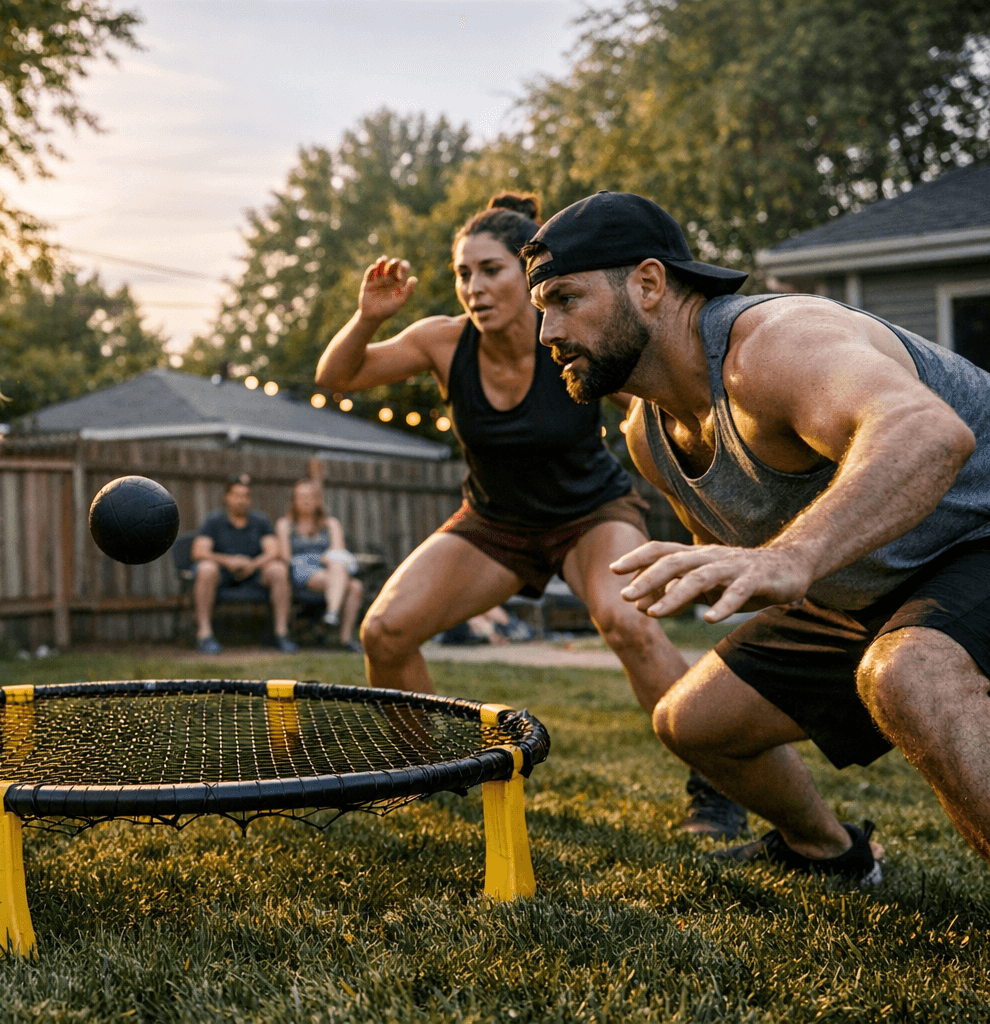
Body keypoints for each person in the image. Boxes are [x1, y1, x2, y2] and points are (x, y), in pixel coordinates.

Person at [521, 190, 990, 881]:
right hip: (866, 592)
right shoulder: (648, 439)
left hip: (973, 538)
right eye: (542, 310)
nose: (545, 334)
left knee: (910, 671)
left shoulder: (774, 344)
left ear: (649, 284)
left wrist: (795, 556)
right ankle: (831, 855)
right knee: (693, 721)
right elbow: (763, 566)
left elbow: (928, 432)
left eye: (565, 299)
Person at [316, 193, 745, 835]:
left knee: (628, 626)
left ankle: (719, 786)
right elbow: (336, 377)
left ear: (529, 274)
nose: (474, 287)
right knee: (385, 631)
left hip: (590, 516)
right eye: (463, 273)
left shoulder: (576, 332)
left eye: (491, 270)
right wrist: (366, 317)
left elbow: (668, 398)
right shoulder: (443, 341)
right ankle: (427, 773)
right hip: (493, 525)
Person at [192, 474, 297, 654]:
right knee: (205, 568)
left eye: (246, 495)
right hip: (223, 574)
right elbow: (198, 552)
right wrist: (228, 561)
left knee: (278, 569)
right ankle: (204, 634)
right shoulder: (214, 521)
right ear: (227, 497)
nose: (242, 500)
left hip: (255, 573)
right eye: (237, 495)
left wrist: (252, 565)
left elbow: (274, 551)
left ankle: (281, 634)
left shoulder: (260, 521)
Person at [275, 478, 364, 652]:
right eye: (301, 496)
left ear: (318, 500)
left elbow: (338, 552)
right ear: (294, 500)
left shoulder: (331, 524)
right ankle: (330, 617)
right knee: (345, 580)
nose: (306, 500)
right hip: (300, 568)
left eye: (310, 496)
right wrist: (321, 558)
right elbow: (286, 557)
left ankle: (343, 634)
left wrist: (327, 559)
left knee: (356, 586)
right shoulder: (285, 524)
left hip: (330, 568)